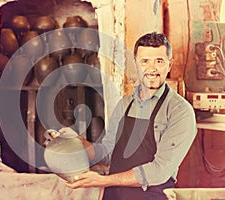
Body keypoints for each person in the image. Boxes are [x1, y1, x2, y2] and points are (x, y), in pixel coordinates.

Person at [59, 32, 197, 199]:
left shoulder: (179, 111)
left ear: (169, 65)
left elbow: (159, 170)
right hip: (114, 196)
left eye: (159, 61)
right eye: (145, 61)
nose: (152, 69)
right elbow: (107, 153)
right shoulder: (124, 105)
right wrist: (77, 142)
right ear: (136, 65)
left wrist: (104, 181)